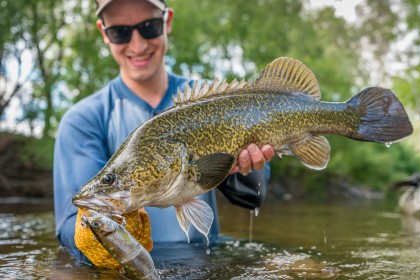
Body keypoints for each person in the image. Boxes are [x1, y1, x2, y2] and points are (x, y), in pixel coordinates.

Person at [53, 0, 275, 264]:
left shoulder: (213, 101)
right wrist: (95, 238)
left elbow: (254, 196)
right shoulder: (83, 120)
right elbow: (71, 222)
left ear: (167, 22)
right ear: (104, 33)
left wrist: (234, 167)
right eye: (120, 32)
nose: (138, 45)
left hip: (205, 262)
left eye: (149, 27)